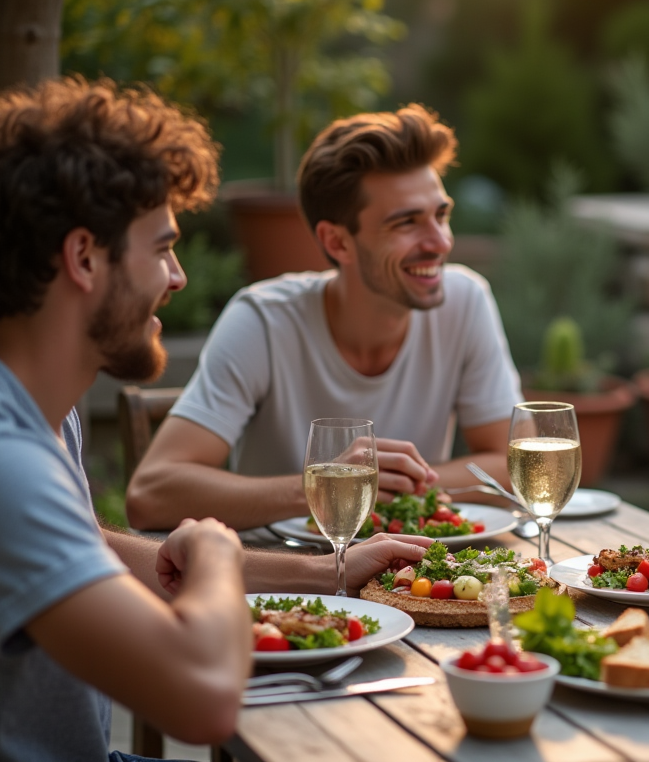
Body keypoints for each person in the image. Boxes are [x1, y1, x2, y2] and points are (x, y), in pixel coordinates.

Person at [0, 77, 430, 761]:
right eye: (162, 248)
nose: (178, 277)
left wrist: (332, 575)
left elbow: (91, 548)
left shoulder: (37, 407)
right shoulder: (0, 456)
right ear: (83, 258)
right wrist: (216, 551)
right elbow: (203, 700)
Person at [125, 105, 522, 531]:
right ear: (337, 242)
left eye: (441, 215)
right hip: (281, 569)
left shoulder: (465, 300)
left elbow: (513, 465)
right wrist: (327, 487)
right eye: (407, 223)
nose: (440, 242)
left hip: (418, 566)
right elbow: (151, 493)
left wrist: (395, 487)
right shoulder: (264, 321)